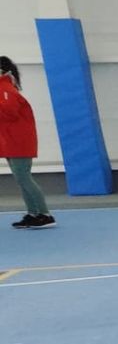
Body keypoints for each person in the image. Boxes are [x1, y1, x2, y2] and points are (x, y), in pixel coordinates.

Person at [0, 56, 53, 228]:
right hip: (12, 140)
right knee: (22, 178)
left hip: (18, 141)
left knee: (24, 178)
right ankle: (33, 213)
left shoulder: (5, 88)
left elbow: (9, 113)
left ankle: (44, 214)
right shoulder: (5, 87)